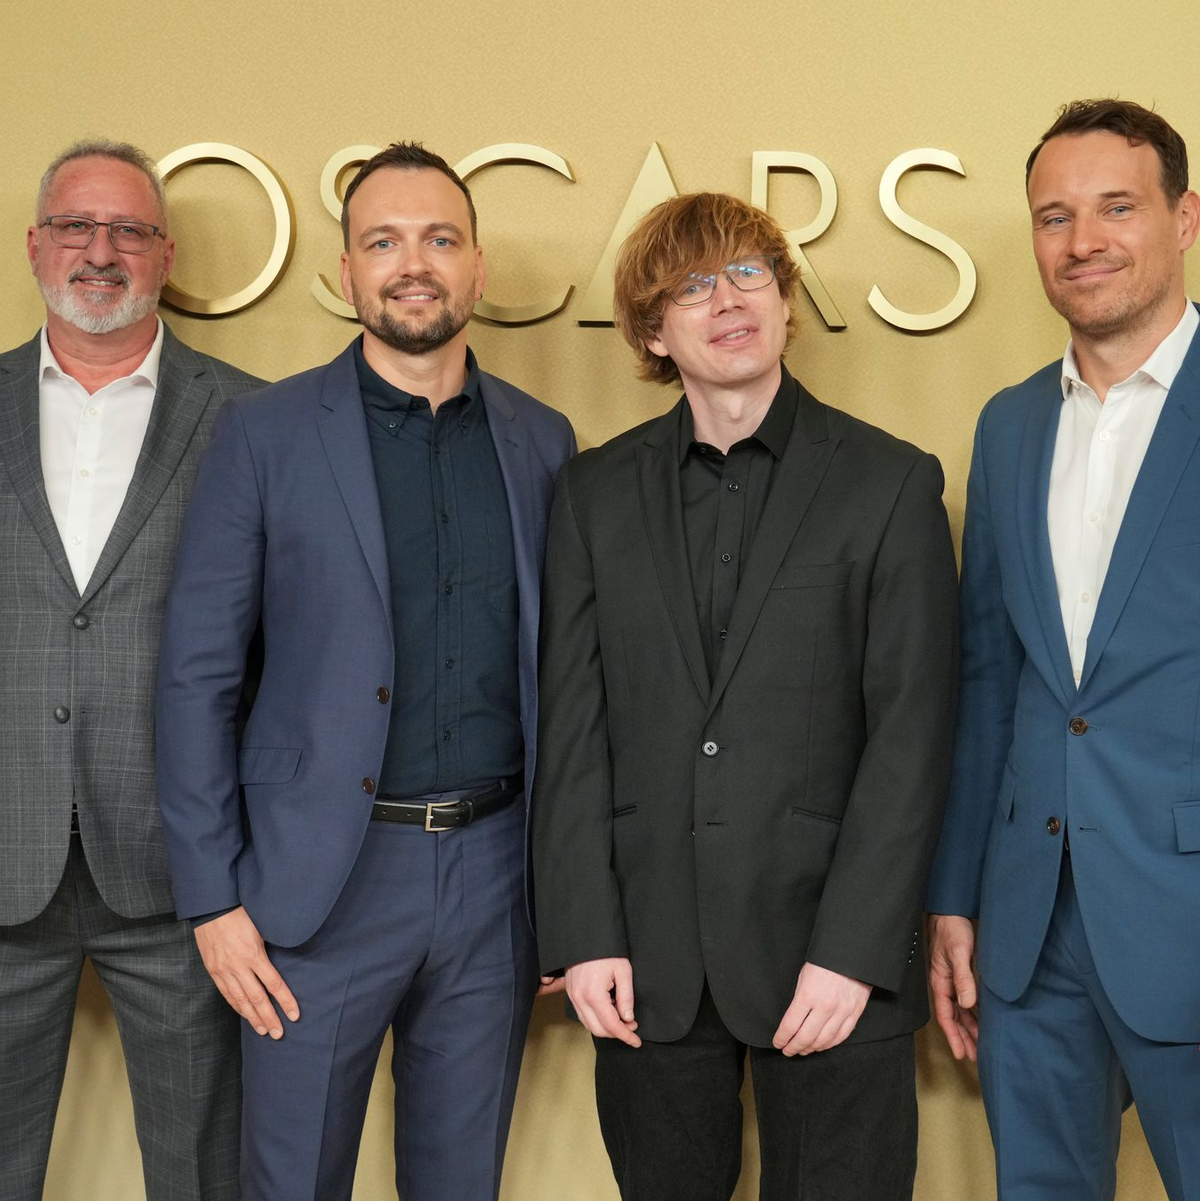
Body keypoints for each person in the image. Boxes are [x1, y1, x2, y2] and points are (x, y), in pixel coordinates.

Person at [155, 141, 575, 1201]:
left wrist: (566, 897)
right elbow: (197, 674)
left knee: (459, 1181)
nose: (413, 263)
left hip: (494, 878)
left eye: (439, 238)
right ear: (345, 272)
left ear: (478, 267)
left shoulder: (543, 442)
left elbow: (568, 684)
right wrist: (212, 899)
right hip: (314, 888)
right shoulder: (264, 435)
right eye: (383, 241)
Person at [532, 191, 959, 1201]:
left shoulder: (892, 484)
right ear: (650, 330)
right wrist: (585, 930)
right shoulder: (592, 496)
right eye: (691, 285)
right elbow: (573, 726)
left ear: (784, 298)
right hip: (648, 961)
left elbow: (913, 734)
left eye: (747, 273)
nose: (726, 300)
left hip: (832, 962)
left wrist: (854, 954)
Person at [927, 98, 1200, 1201]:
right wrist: (955, 894)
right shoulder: (1007, 426)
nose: (1083, 240)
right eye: (1054, 215)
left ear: (1185, 219)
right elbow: (991, 677)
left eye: (1116, 207)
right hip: (1030, 925)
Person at [0, 139, 260, 1201]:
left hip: (180, 876)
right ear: (35, 247)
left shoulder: (254, 417)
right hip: (3, 858)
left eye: (129, 231)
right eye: (76, 226)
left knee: (201, 1176)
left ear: (164, 253)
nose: (99, 251)